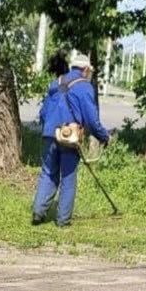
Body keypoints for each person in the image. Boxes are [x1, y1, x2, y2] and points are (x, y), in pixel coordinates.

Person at [32, 51, 111, 227]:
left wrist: (50, 128)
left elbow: (43, 113)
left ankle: (38, 212)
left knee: (48, 173)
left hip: (49, 134)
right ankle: (63, 220)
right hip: (69, 136)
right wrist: (104, 137)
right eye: (89, 71)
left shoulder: (57, 82)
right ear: (85, 70)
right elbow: (92, 120)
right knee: (68, 177)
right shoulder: (84, 87)